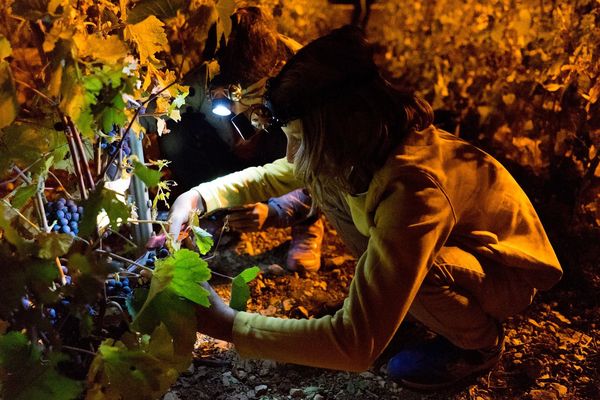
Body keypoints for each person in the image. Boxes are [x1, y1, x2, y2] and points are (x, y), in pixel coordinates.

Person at [168, 25, 562, 390]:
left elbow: (355, 346)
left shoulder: (415, 188)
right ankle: (403, 307)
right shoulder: (365, 145)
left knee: (421, 272)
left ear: (346, 123)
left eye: (299, 138)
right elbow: (278, 172)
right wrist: (199, 196)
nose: (290, 154)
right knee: (321, 176)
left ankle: (478, 344)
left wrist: (229, 325)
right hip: (460, 257)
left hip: (505, 277)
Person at [155, 5, 324, 271]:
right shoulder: (205, 77)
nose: (237, 113)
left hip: (288, 158)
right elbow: (157, 125)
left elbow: (324, 164)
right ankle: (218, 218)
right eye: (228, 96)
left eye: (250, 100)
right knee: (178, 130)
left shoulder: (301, 72)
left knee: (309, 146)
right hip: (234, 163)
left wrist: (277, 211)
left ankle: (307, 224)